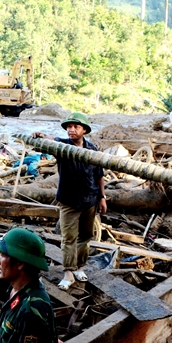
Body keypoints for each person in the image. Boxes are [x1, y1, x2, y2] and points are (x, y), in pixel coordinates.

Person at [32, 112, 105, 290]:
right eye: (69, 127)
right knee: (68, 237)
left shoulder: (92, 150)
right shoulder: (62, 146)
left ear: (84, 130)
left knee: (86, 236)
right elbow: (52, 139)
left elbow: (99, 175)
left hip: (90, 199)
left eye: (76, 127)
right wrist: (41, 135)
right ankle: (68, 273)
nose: (71, 130)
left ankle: (80, 267)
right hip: (69, 200)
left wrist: (102, 197)